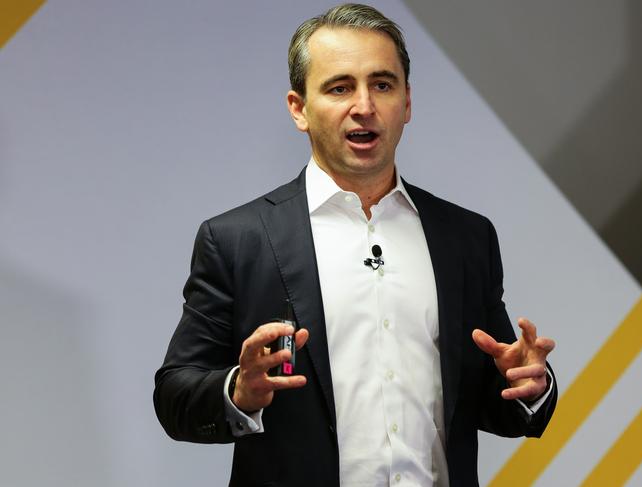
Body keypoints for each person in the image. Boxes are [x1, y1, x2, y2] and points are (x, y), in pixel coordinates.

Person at [154, 4, 557, 486]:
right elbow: (175, 396)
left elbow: (493, 402)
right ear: (299, 108)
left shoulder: (466, 237)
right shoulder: (237, 240)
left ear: (407, 103)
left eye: (382, 85)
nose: (364, 105)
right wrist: (238, 392)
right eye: (340, 87)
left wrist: (527, 386)